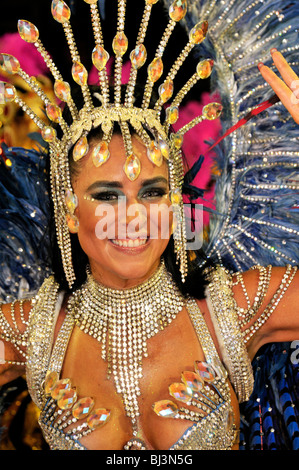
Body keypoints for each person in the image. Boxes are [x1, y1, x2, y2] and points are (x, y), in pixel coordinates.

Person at [0, 0, 298, 450]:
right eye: (106, 195)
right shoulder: (36, 331)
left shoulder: (231, 311)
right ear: (69, 210)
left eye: (153, 192)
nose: (133, 216)